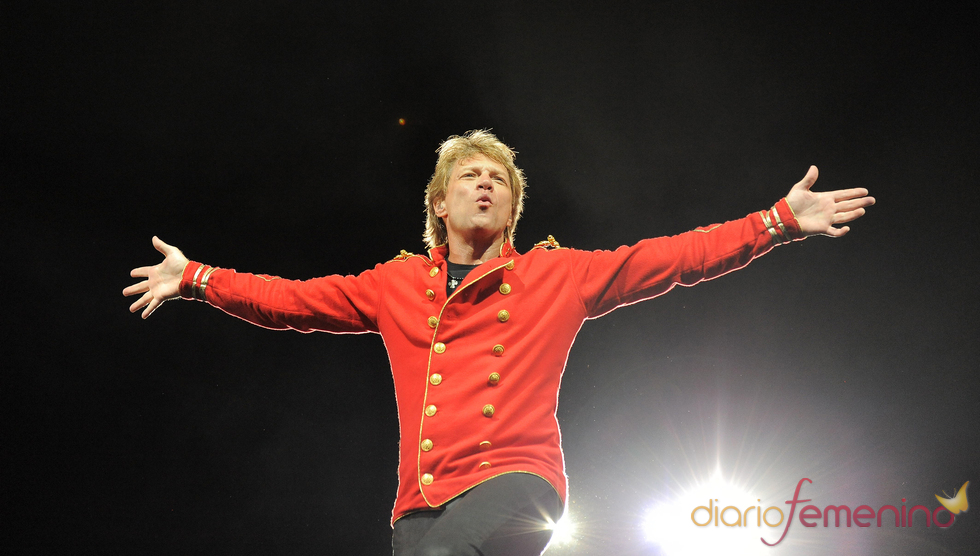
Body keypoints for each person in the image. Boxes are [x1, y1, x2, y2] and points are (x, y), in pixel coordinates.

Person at [124, 130, 874, 556]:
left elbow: (671, 259)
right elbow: (292, 302)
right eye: (470, 176)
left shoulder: (556, 274)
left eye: (500, 180)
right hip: (418, 504)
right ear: (439, 202)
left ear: (512, 207)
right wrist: (197, 278)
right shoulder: (394, 284)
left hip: (517, 479)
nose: (486, 185)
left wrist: (776, 223)